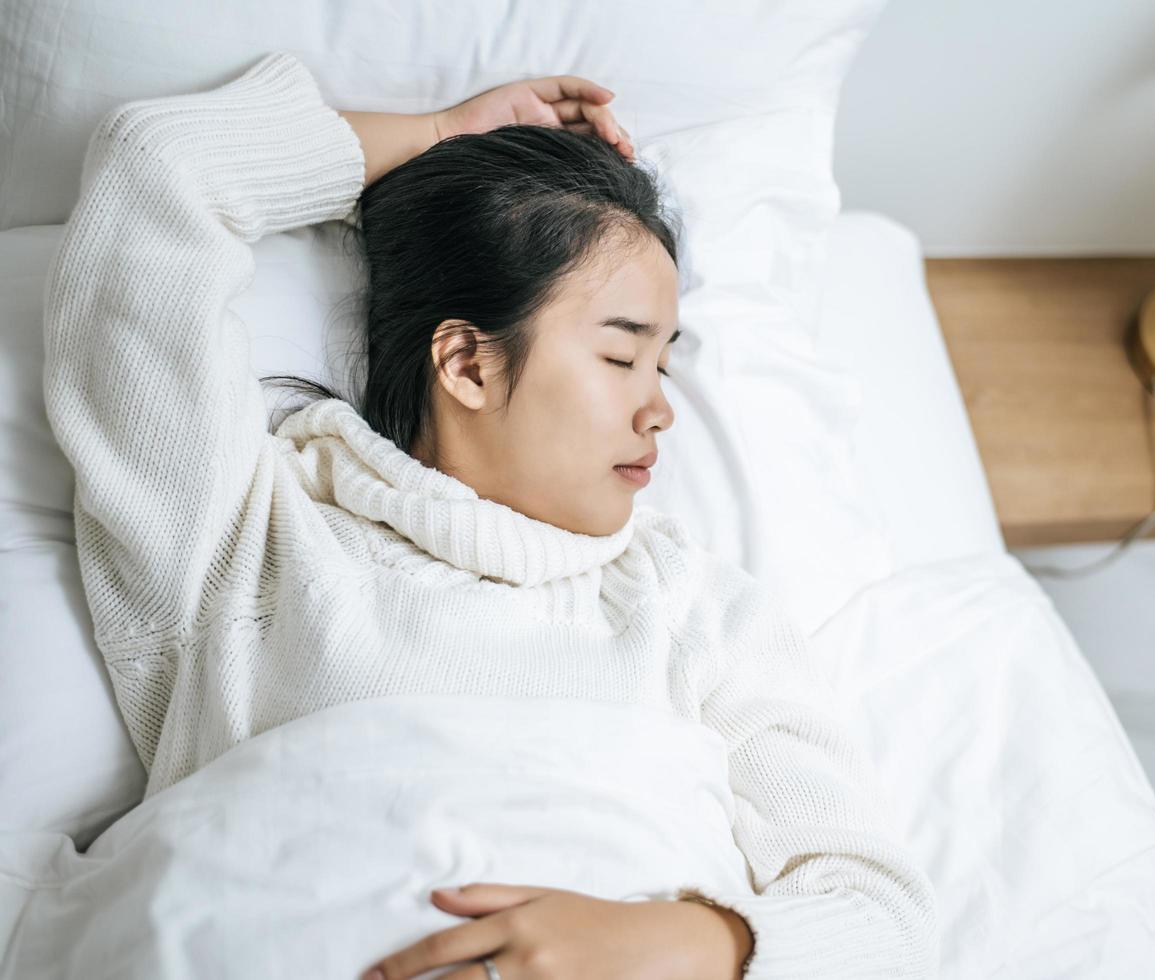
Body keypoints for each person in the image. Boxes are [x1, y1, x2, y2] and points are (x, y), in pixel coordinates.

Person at [42, 51, 939, 979]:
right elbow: (158, 168)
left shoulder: (699, 611)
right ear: (468, 364)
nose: (661, 407)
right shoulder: (248, 537)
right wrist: (432, 137)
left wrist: (677, 943)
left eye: (665, 363)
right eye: (621, 356)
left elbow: (880, 919)